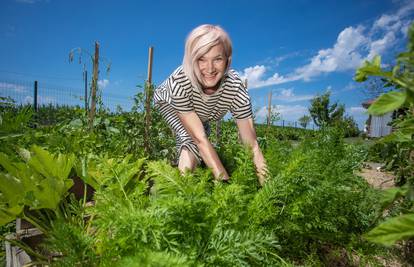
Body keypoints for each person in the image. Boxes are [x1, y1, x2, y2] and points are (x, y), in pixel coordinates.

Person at [154, 24, 267, 185]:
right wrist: (225, 186)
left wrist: (269, 189)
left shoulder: (235, 88)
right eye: (201, 59)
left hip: (202, 111)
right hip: (169, 102)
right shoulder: (179, 82)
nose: (209, 68)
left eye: (218, 59)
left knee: (203, 146)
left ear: (228, 61)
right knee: (191, 140)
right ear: (191, 60)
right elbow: (199, 139)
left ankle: (191, 172)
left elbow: (252, 145)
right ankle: (181, 192)